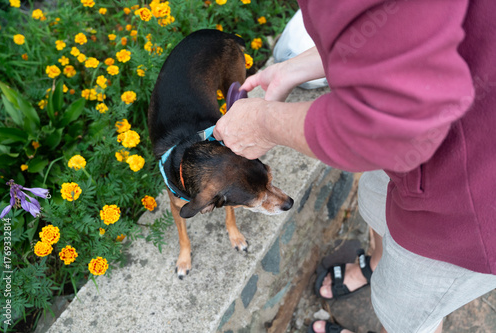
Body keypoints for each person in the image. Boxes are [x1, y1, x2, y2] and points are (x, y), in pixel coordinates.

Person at [213, 1, 496, 333]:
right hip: (431, 144)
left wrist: (264, 124)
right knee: (376, 204)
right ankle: (376, 263)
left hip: (471, 203)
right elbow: (403, 30)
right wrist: (301, 66)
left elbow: (390, 125)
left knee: (404, 313)